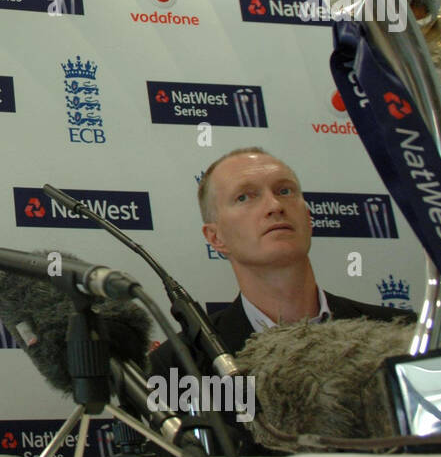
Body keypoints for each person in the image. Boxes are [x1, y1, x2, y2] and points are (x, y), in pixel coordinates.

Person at [149, 146, 406, 378]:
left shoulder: (400, 333)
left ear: (308, 218)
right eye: (245, 197)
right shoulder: (179, 368)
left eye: (285, 191)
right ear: (216, 237)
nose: (274, 206)